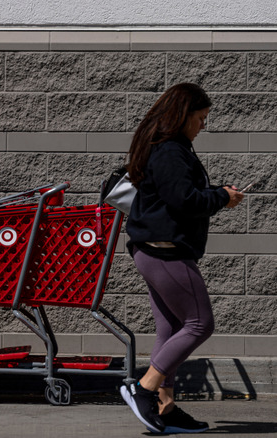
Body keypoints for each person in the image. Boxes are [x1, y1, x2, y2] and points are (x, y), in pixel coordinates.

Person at [119, 83, 245, 434]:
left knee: (171, 328)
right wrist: (221, 197)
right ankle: (143, 389)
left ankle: (165, 406)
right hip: (164, 253)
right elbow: (183, 201)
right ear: (183, 115)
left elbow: (180, 195)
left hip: (155, 251)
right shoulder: (171, 150)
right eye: (201, 118)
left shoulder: (166, 148)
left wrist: (218, 194)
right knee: (200, 324)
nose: (204, 125)